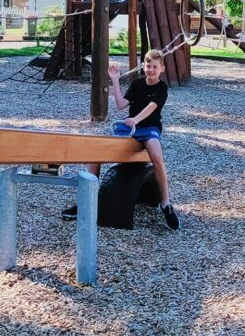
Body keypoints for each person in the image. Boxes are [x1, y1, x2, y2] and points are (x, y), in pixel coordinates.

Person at [61, 49, 180, 230]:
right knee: (97, 153)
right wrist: (115, 80)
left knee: (156, 155)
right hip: (131, 129)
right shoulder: (136, 85)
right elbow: (120, 105)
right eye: (148, 66)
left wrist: (135, 120)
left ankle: (165, 202)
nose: (151, 70)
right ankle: (86, 202)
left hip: (149, 128)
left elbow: (151, 107)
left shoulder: (161, 88)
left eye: (155, 67)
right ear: (144, 67)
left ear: (161, 69)